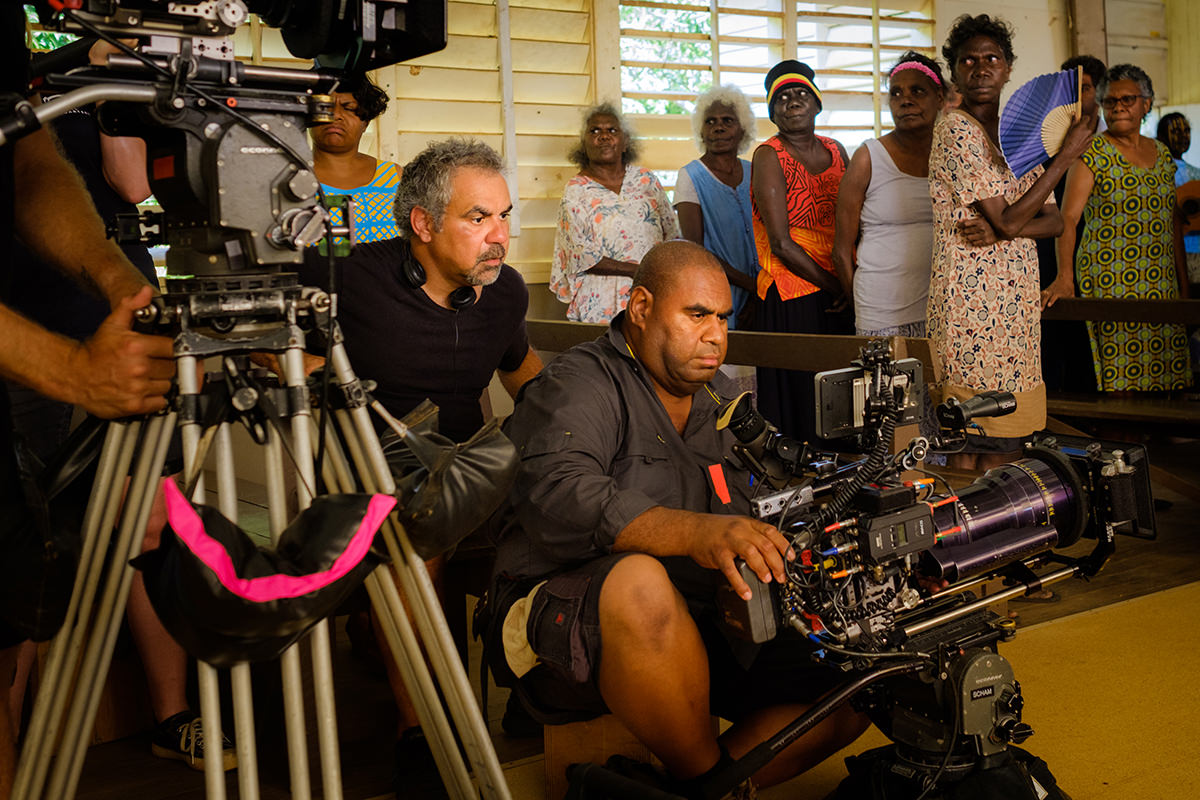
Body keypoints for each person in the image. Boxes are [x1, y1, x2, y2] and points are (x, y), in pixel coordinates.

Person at [485, 240, 867, 800]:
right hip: (567, 628)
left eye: (722, 318)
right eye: (695, 315)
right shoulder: (579, 383)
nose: (715, 335)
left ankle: (693, 790)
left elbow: (775, 490)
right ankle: (708, 780)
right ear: (641, 308)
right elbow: (559, 492)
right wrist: (698, 533)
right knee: (640, 581)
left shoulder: (723, 396)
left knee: (861, 676)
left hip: (703, 621)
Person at [3, 39, 235, 773]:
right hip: (23, 324)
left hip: (109, 313)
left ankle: (174, 713)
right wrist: (69, 367)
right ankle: (27, 742)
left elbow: (123, 183)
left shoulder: (119, 50)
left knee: (148, 509)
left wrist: (119, 88)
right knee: (19, 546)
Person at [299, 138, 543, 795]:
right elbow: (276, 346)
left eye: (505, 215)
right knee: (419, 532)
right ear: (424, 225)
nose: (499, 235)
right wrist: (320, 377)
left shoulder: (503, 293)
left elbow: (528, 378)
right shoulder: (351, 276)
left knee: (570, 495)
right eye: (478, 218)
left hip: (472, 464)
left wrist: (576, 437)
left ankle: (537, 678)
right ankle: (421, 728)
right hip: (376, 465)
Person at [926, 14, 1095, 470]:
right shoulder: (955, 129)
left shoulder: (1015, 133)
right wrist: (1065, 157)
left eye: (992, 59)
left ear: (1007, 68)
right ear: (955, 71)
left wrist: (1005, 228)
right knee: (971, 440)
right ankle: (967, 540)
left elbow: (1054, 221)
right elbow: (1013, 214)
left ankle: (1005, 538)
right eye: (969, 60)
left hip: (1015, 304)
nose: (981, 68)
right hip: (970, 303)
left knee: (1009, 442)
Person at [1043, 65, 1191, 392]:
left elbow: (1171, 223)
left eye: (1128, 99)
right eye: (1110, 102)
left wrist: (1182, 287)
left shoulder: (1164, 156)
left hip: (1159, 279)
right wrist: (1065, 278)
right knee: (1120, 379)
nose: (1119, 107)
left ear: (1147, 104)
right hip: (1109, 279)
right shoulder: (1093, 154)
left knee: (1166, 377)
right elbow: (1067, 219)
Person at [751, 60, 853, 443]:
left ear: (817, 103)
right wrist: (837, 287)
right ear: (772, 111)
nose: (792, 101)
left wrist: (848, 285)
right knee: (803, 401)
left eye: (801, 93)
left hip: (840, 286)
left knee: (842, 396)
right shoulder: (769, 155)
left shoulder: (837, 149)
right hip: (795, 291)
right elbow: (781, 243)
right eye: (781, 97)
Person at [833, 51, 945, 338]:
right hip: (880, 310)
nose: (905, 100)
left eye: (917, 91)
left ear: (940, 98)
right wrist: (861, 306)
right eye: (896, 93)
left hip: (944, 307)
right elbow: (842, 251)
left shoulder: (953, 155)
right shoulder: (868, 157)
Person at [550, 102, 680, 323]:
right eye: (595, 131)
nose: (604, 136)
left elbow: (671, 233)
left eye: (612, 130)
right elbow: (581, 255)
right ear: (584, 144)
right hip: (600, 299)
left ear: (625, 142)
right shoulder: (576, 190)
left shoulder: (646, 180)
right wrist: (637, 270)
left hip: (652, 291)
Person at [1034, 55, 1106, 395]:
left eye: (1086, 88)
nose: (1076, 97)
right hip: (1051, 261)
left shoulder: (1113, 145)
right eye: (1069, 89)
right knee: (1056, 355)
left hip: (1105, 264)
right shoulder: (1043, 146)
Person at [674, 85, 760, 331]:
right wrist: (751, 286)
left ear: (742, 127)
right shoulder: (690, 176)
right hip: (718, 293)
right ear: (701, 130)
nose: (718, 127)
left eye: (727, 121)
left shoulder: (756, 172)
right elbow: (696, 252)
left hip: (767, 292)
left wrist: (760, 292)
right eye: (710, 121)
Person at [310, 72, 402, 244]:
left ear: (365, 121)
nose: (335, 115)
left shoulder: (394, 177)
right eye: (324, 107)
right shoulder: (288, 177)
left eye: (348, 108)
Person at [1156, 111, 1200, 289]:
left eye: (1187, 131)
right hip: (1171, 254)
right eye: (1176, 132)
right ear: (1161, 136)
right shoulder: (1158, 171)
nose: (1183, 137)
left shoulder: (1196, 173)